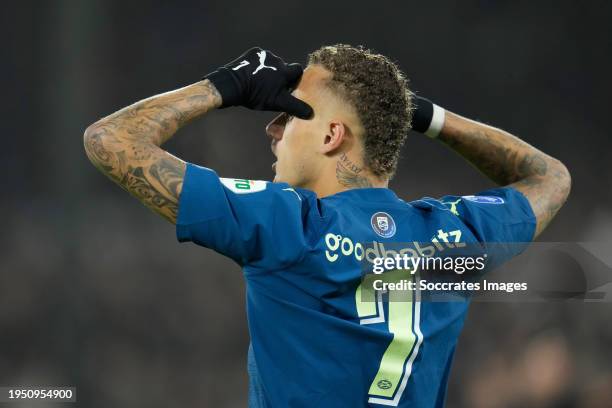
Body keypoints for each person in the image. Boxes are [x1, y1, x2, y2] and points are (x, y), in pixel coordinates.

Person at [83, 45, 571, 407]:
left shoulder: (287, 225)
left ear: (333, 135)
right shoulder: (455, 234)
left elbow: (109, 140)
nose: (272, 129)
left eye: (289, 114)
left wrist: (224, 86)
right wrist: (430, 118)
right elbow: (549, 177)